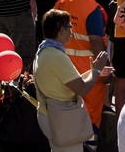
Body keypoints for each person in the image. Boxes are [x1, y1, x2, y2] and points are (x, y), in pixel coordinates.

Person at [34, 9, 113, 152]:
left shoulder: (44, 50)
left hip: (52, 116)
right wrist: (95, 71)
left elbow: (68, 81)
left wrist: (93, 71)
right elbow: (82, 88)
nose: (72, 31)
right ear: (62, 30)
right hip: (61, 119)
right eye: (70, 27)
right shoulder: (56, 56)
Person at [54, 0, 110, 130]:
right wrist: (104, 70)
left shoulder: (62, 1)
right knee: (88, 118)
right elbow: (97, 43)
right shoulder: (93, 9)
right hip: (87, 71)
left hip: (62, 67)